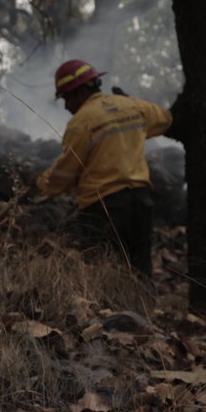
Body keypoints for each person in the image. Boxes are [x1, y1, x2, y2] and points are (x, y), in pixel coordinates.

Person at [33, 59, 173, 277]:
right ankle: (142, 310)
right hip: (141, 203)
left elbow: (66, 172)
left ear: (80, 92)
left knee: (105, 275)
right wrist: (129, 107)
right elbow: (165, 119)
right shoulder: (133, 106)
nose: (67, 106)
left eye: (66, 98)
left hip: (105, 208)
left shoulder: (81, 122)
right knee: (140, 272)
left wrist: (41, 184)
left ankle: (113, 312)